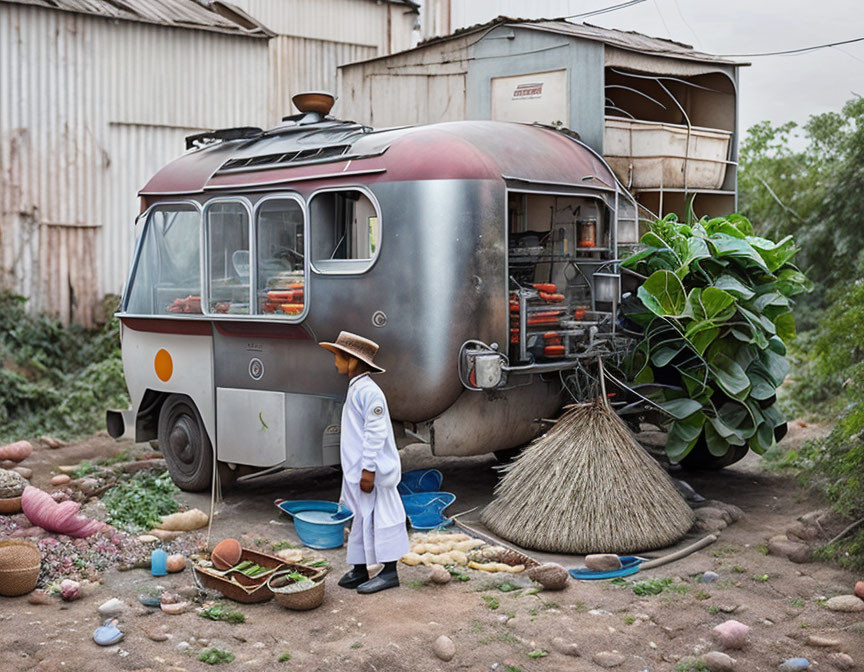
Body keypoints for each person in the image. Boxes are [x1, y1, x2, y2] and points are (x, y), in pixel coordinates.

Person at [319, 331, 410, 593]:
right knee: (360, 516)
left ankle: (390, 571)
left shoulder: (371, 393)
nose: (335, 362)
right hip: (357, 471)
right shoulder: (357, 388)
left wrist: (369, 469)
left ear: (352, 361)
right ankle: (360, 568)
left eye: (338, 357)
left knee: (382, 517)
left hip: (374, 473)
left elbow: (375, 433)